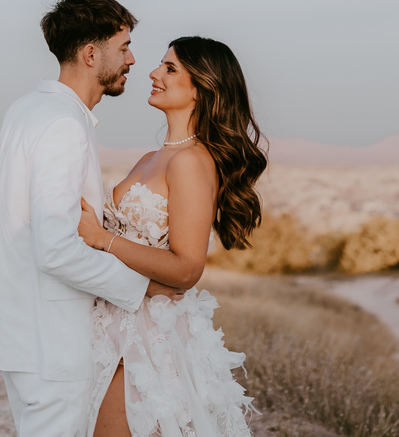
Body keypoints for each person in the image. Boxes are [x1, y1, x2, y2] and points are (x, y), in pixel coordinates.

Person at [0, 0, 185, 437]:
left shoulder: (25, 109)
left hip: (20, 333)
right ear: (91, 54)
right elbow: (56, 250)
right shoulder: (63, 124)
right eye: (124, 47)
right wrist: (143, 287)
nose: (132, 60)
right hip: (54, 342)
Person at [77, 35, 266, 437]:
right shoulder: (150, 158)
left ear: (201, 88)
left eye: (170, 68)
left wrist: (102, 239)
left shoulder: (191, 162)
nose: (153, 73)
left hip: (148, 336)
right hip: (109, 323)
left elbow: (186, 269)